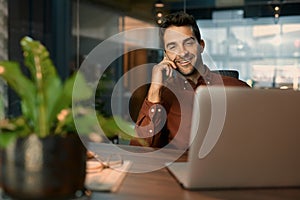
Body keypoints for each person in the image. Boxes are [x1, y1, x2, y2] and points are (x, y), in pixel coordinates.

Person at [130, 12, 250, 149]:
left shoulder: (237, 88)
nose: (182, 53)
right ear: (166, 54)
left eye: (188, 43)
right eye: (172, 47)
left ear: (201, 45)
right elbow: (139, 149)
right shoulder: (163, 94)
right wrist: (155, 90)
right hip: (181, 168)